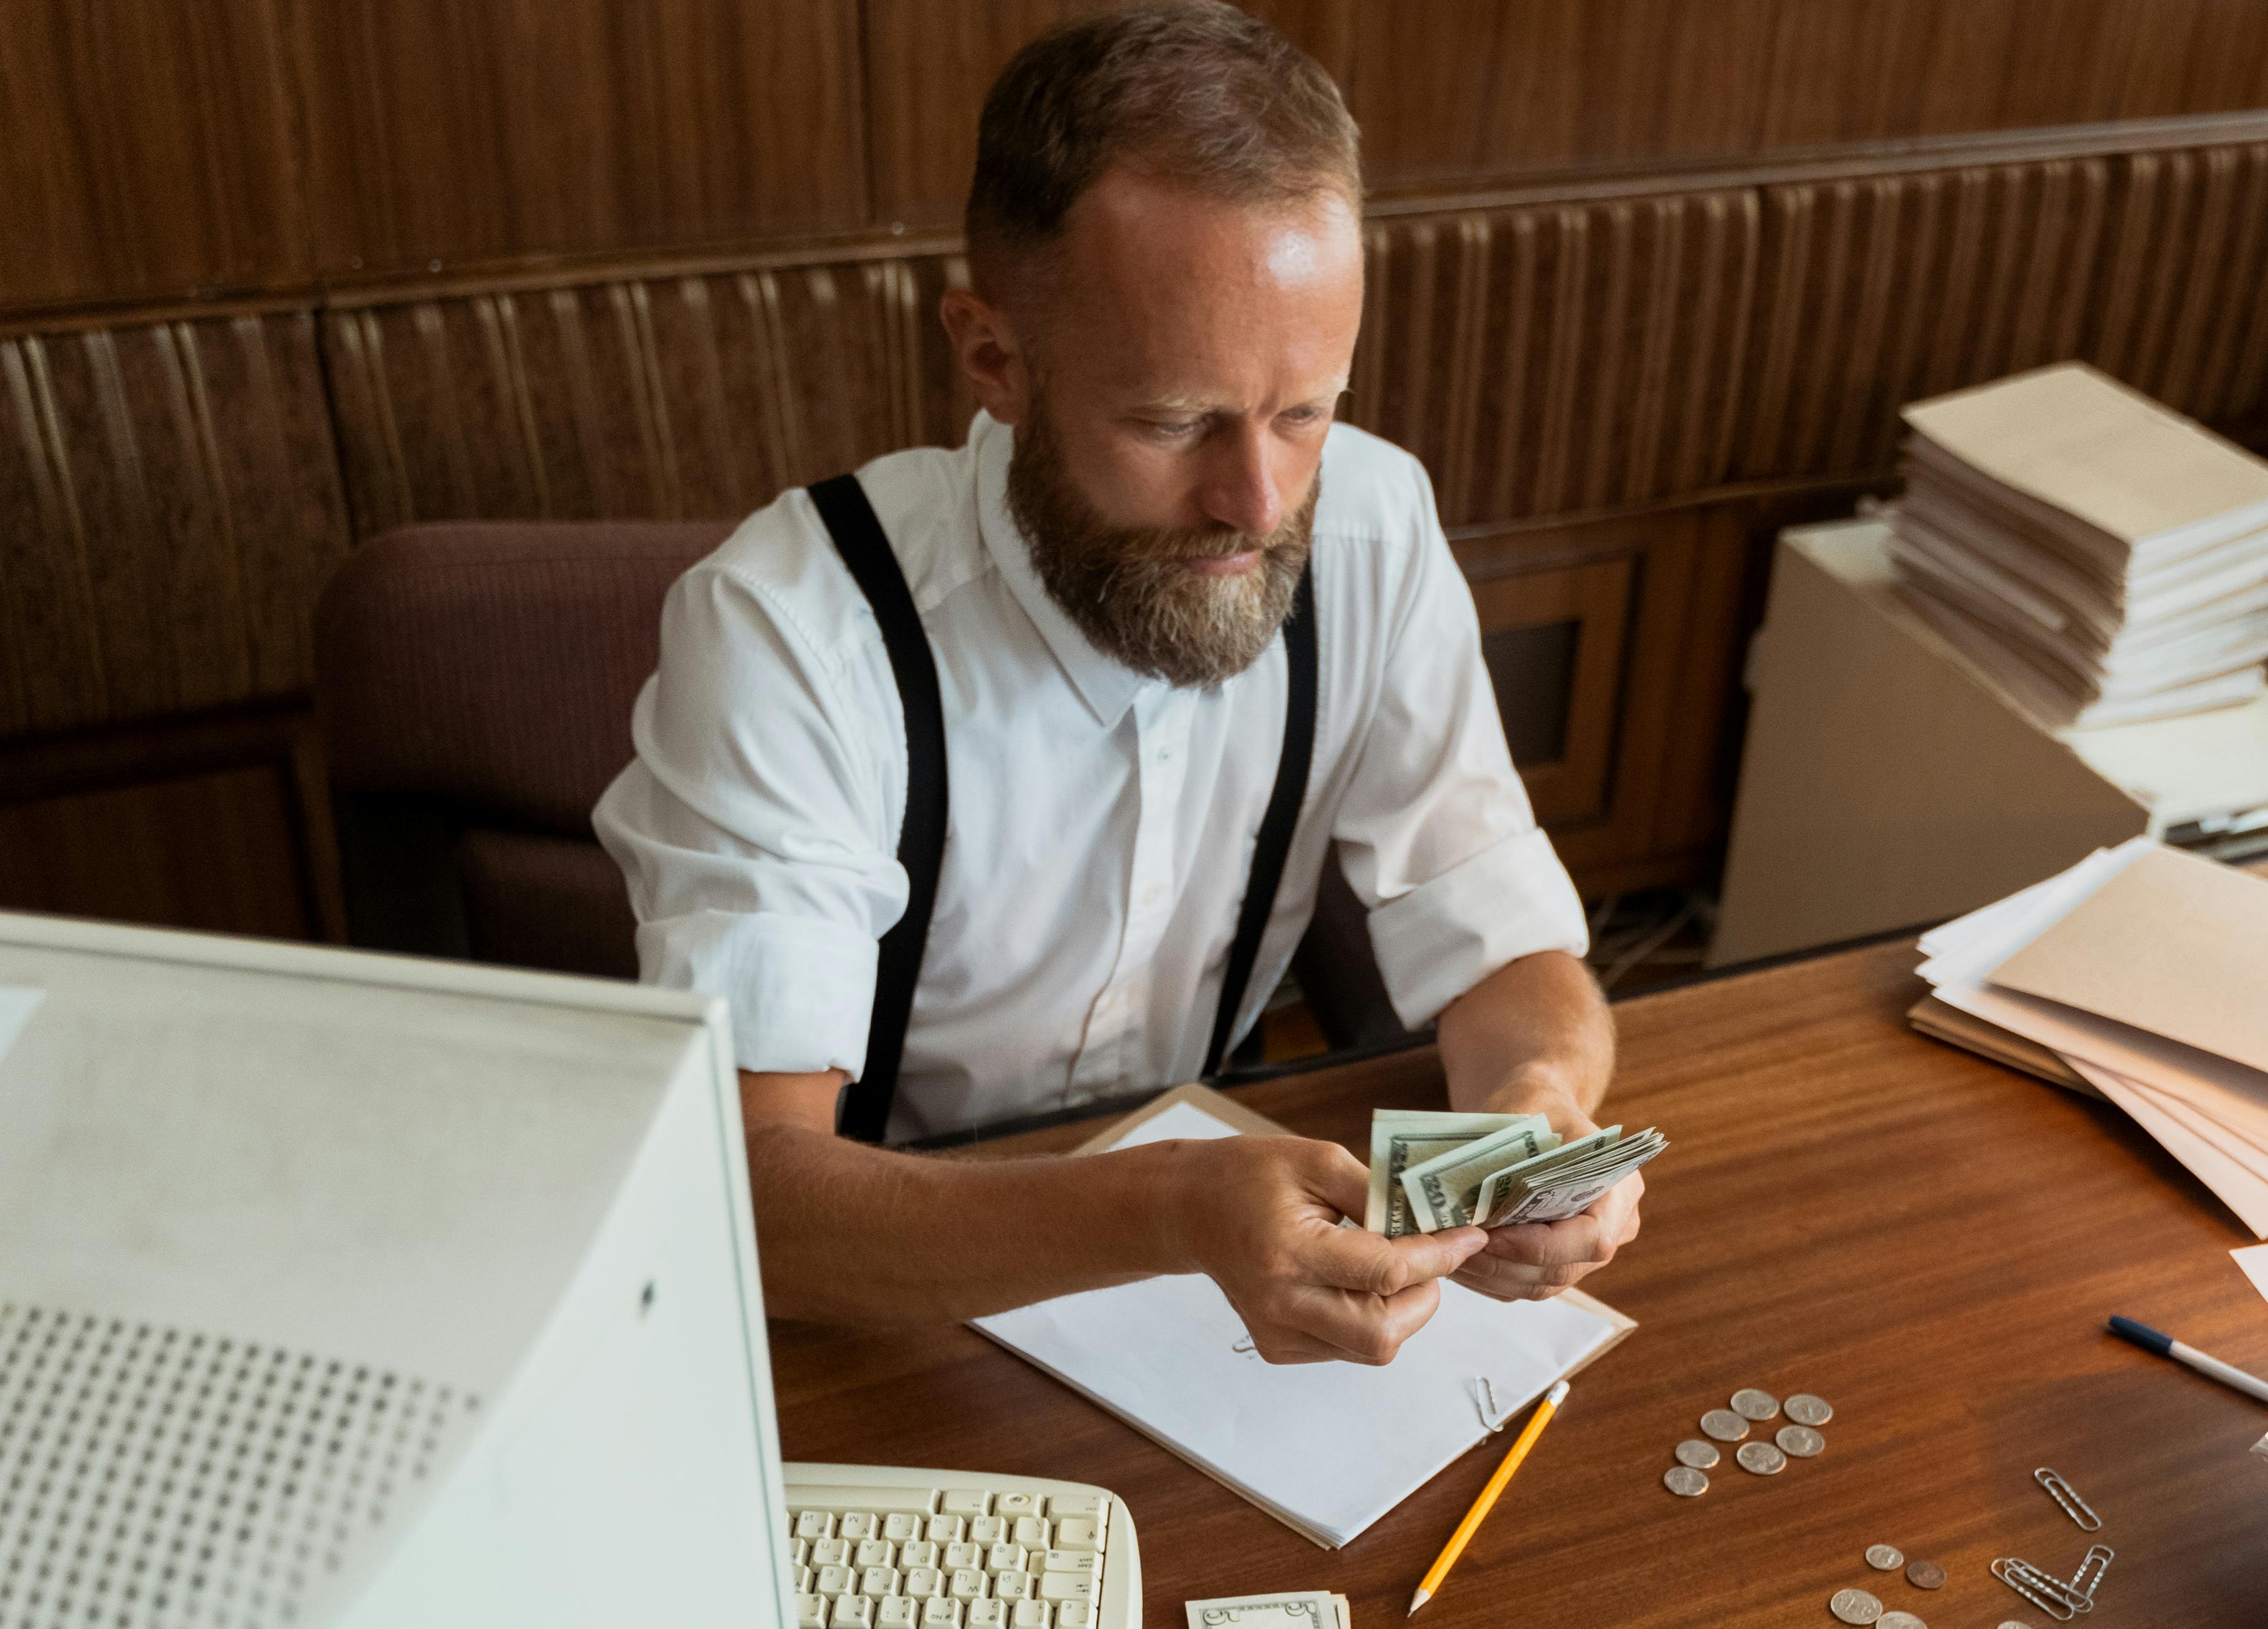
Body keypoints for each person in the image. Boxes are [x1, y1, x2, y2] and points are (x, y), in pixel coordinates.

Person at [595, 2, 1641, 1362]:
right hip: (865, 1312)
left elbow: (1502, 937)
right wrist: (1166, 1212)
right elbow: (750, 1198)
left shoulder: (1372, 525)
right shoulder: (788, 628)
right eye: (1172, 420)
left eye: (1304, 409)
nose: (1255, 502)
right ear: (993, 359)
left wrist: (1536, 1103)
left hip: (1220, 1290)